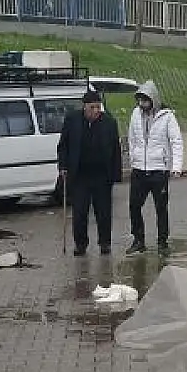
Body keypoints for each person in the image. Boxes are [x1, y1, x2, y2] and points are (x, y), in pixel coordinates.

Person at [56, 88, 123, 256]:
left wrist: (115, 175)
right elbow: (63, 145)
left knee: (104, 212)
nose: (96, 111)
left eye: (98, 107)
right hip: (80, 175)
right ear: (84, 107)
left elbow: (116, 149)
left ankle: (105, 243)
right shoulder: (72, 120)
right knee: (79, 213)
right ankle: (80, 244)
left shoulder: (109, 122)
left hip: (102, 175)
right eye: (92, 107)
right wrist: (63, 166)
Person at [125, 80, 183, 256]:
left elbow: (176, 141)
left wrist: (176, 166)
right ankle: (138, 240)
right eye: (140, 101)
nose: (142, 104)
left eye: (145, 101)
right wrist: (133, 158)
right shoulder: (135, 114)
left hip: (159, 169)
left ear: (153, 100)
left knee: (161, 207)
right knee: (134, 205)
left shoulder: (167, 117)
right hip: (139, 170)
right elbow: (132, 138)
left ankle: (162, 241)